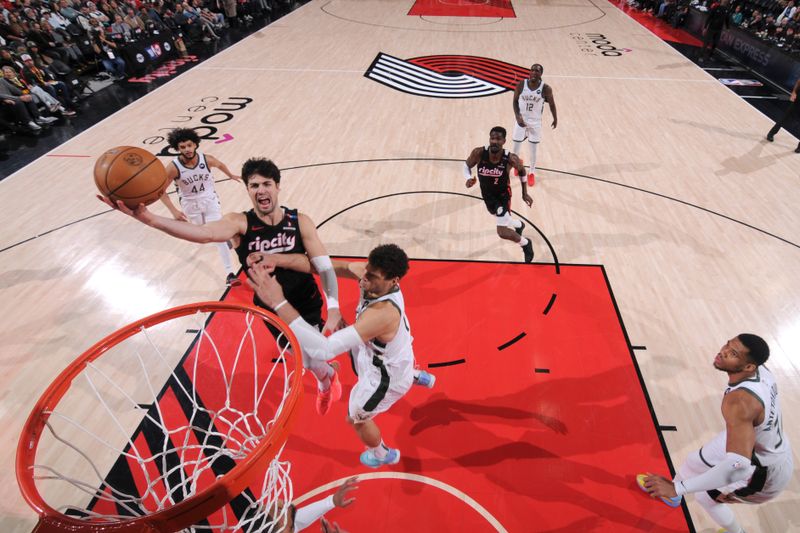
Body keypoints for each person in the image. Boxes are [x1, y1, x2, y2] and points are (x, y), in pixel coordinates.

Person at [98, 157, 345, 415]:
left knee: (311, 355)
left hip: (304, 302)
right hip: (270, 308)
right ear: (248, 190)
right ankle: (327, 374)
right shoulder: (240, 223)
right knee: (301, 356)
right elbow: (205, 234)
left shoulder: (299, 221)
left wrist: (335, 307)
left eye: (266, 184)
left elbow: (324, 266)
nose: (261, 190)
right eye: (254, 185)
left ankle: (325, 380)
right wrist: (150, 219)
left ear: (278, 187)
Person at [247, 243, 436, 468]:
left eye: (372, 276)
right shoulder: (373, 276)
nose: (364, 278)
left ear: (393, 281)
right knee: (365, 352)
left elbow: (323, 350)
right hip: (395, 348)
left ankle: (381, 453)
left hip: (386, 376)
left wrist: (279, 302)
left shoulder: (382, 313)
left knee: (355, 417)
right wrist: (275, 258)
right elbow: (323, 267)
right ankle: (413, 375)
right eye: (367, 270)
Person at [640, 334, 793, 533]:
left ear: (748, 367)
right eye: (728, 345)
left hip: (762, 471)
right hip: (759, 441)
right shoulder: (759, 368)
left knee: (706, 497)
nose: (723, 352)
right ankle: (673, 495)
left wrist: (680, 487)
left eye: (733, 354)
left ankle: (736, 532)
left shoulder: (740, 402)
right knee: (694, 461)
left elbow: (737, 467)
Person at [159, 128, 242, 286]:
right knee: (201, 234)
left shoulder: (206, 159)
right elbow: (161, 192)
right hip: (190, 204)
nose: (187, 149)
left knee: (217, 235)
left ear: (195, 144)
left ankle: (230, 273)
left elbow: (220, 164)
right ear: (177, 148)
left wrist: (230, 175)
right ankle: (226, 242)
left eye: (189, 145)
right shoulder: (173, 167)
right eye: (182, 147)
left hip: (209, 199)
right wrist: (174, 211)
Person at [464, 126, 535, 263]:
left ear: (504, 141)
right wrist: (467, 177)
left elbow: (522, 172)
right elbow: (466, 165)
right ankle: (518, 225)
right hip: (487, 195)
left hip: (503, 195)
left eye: (498, 139)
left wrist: (524, 193)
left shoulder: (511, 159)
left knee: (502, 231)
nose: (494, 141)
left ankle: (526, 244)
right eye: (492, 138)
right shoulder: (478, 153)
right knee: (498, 215)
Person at [511, 63, 557, 187]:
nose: (534, 72)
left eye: (537, 71)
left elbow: (552, 104)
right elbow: (515, 101)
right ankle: (517, 164)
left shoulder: (545, 88)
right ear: (529, 72)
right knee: (515, 148)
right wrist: (517, 116)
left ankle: (531, 172)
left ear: (541, 74)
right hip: (521, 121)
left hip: (535, 123)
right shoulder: (521, 84)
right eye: (532, 70)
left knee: (533, 150)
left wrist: (555, 118)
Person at [278, 477, 358, 532]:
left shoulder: (285, 526)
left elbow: (296, 523)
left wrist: (331, 501)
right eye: (279, 510)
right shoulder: (285, 526)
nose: (282, 502)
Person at [766, 77, 800, 153]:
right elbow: (798, 81)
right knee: (784, 118)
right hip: (797, 102)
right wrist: (794, 92)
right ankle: (771, 133)